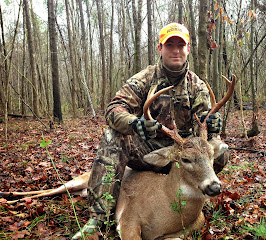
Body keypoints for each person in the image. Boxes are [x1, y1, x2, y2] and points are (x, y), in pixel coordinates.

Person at [72, 22, 228, 239]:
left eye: (180, 45)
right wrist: (135, 123)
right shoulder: (145, 78)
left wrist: (212, 126)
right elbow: (113, 109)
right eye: (169, 45)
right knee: (113, 135)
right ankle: (99, 216)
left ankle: (197, 195)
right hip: (148, 151)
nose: (175, 50)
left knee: (220, 147)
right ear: (160, 49)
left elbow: (202, 129)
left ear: (188, 49)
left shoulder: (197, 86)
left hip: (182, 160)